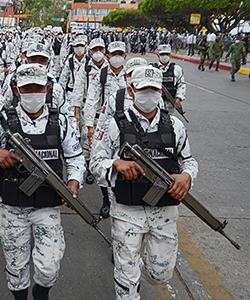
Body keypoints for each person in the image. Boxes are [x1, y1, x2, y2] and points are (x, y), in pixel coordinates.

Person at [0, 63, 85, 300]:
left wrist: (74, 182)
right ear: (17, 91)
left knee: (49, 267)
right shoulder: (1, 122)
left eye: (38, 87)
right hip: (13, 208)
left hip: (48, 206)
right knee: (16, 266)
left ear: (47, 88)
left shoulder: (62, 122)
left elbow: (75, 158)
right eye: (27, 88)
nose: (33, 92)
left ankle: (42, 292)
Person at [90, 65, 198, 300]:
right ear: (131, 90)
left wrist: (186, 175)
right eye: (143, 89)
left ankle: (132, 267)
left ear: (161, 90)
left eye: (153, 89)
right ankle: (127, 277)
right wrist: (115, 165)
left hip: (164, 213)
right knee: (127, 279)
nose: (148, 94)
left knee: (160, 275)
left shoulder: (175, 126)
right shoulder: (114, 125)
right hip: (127, 212)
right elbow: (96, 164)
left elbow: (189, 160)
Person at [84, 41, 128, 218]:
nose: (117, 57)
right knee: (103, 161)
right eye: (113, 53)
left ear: (125, 56)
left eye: (120, 53)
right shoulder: (101, 75)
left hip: (127, 127)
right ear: (108, 56)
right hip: (104, 124)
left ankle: (120, 198)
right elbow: (91, 100)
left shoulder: (130, 75)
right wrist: (89, 127)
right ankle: (106, 200)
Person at [71, 37, 109, 185]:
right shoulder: (85, 68)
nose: (98, 53)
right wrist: (76, 110)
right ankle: (89, 169)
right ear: (90, 51)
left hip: (107, 111)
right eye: (95, 50)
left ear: (105, 51)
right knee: (87, 139)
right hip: (88, 108)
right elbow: (78, 90)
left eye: (101, 49)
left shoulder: (109, 67)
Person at [151, 44, 186, 115]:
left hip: (170, 102)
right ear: (158, 55)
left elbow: (181, 84)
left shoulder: (177, 69)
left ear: (170, 55)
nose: (164, 56)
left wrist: (178, 98)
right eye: (162, 54)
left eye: (166, 54)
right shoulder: (151, 68)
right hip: (154, 102)